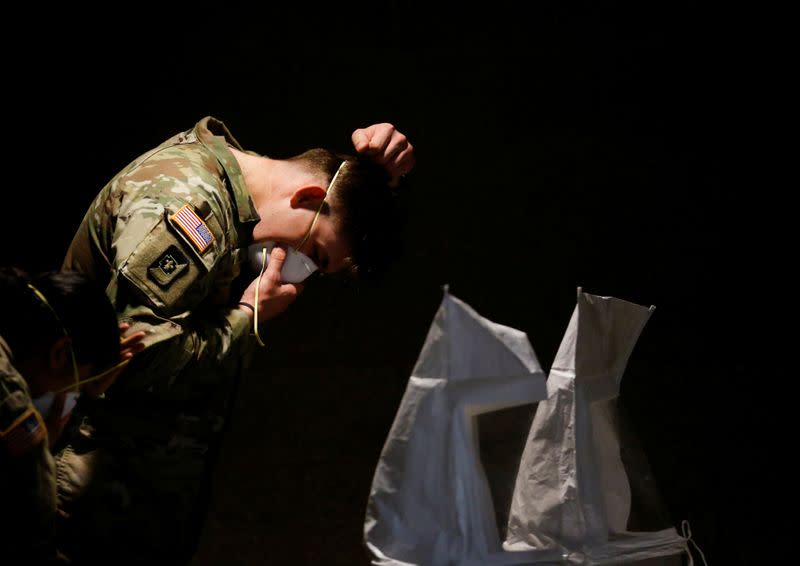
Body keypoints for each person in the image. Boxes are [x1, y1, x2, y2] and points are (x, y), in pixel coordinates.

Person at [58, 116, 415, 563]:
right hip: (93, 493)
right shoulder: (187, 204)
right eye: (314, 254)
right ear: (308, 198)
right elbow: (132, 359)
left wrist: (385, 184)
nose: (297, 270)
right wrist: (249, 317)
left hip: (137, 493)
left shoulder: (234, 197)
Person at [0, 267, 141, 564]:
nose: (72, 392)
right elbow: (33, 537)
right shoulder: (13, 407)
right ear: (61, 354)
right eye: (78, 381)